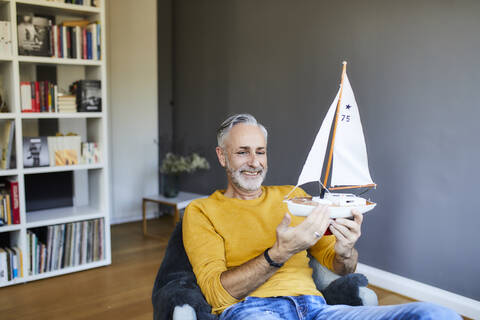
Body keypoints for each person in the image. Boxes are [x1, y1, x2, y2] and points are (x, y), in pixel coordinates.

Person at [182, 114, 461, 319]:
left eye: (261, 152)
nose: (254, 162)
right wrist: (277, 254)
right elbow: (215, 294)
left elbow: (342, 268)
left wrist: (345, 250)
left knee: (436, 314)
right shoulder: (201, 211)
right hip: (254, 311)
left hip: (317, 310)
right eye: (242, 152)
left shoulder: (294, 198)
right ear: (222, 156)